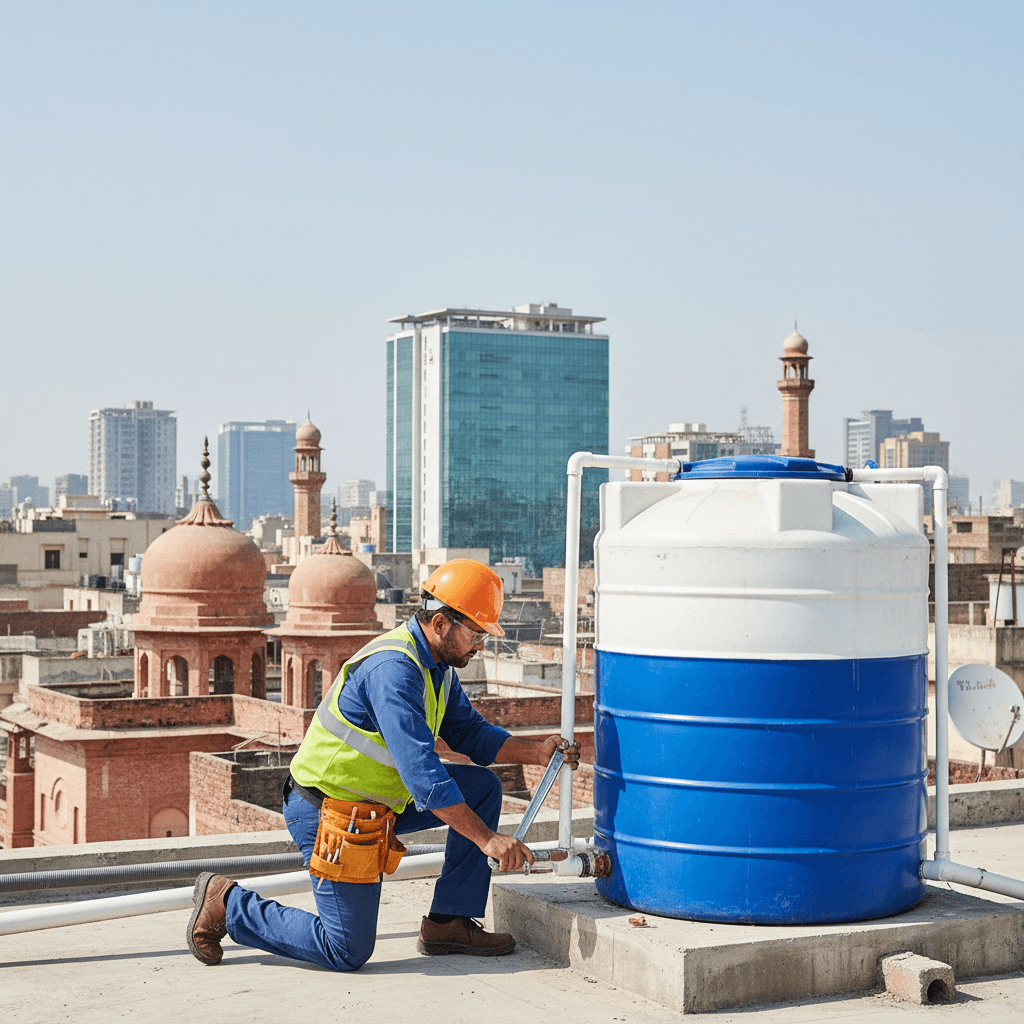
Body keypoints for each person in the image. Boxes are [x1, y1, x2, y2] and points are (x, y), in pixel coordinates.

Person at [186, 558, 580, 970]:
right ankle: (229, 905)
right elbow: (424, 777)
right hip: (329, 809)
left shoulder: (438, 667)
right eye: (476, 632)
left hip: (379, 801)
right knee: (347, 950)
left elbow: (471, 735)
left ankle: (449, 922)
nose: (480, 643)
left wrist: (535, 752)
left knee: (481, 787)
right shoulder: (394, 670)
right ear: (442, 623)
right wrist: (487, 840)